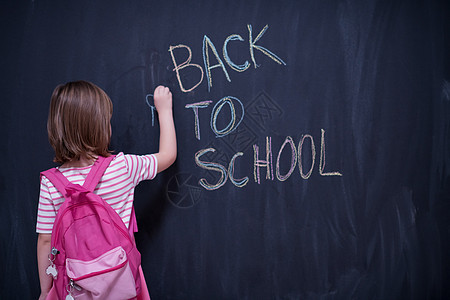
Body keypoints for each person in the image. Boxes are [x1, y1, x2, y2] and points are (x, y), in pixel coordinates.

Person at [36, 81, 177, 299]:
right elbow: (167, 155)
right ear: (100, 126)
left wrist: (45, 291)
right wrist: (164, 110)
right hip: (122, 281)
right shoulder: (123, 167)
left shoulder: (50, 182)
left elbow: (46, 240)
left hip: (75, 285)